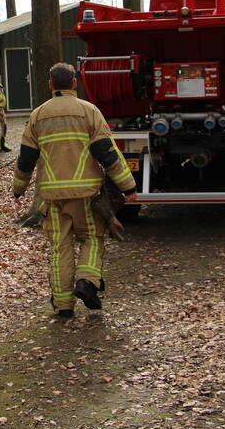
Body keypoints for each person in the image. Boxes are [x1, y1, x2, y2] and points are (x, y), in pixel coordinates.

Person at [11, 62, 137, 318]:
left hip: (52, 196)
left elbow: (26, 159)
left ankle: (63, 304)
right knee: (92, 239)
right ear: (74, 84)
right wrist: (128, 185)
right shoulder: (89, 112)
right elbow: (107, 154)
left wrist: (18, 188)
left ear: (50, 85)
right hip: (87, 195)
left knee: (60, 248)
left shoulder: (37, 115)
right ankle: (86, 281)